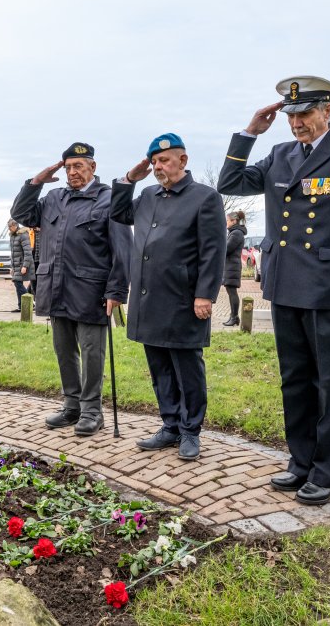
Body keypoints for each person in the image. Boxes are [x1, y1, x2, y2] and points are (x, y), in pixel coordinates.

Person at [217, 75, 330, 505]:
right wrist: (249, 134)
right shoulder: (279, 154)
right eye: (291, 115)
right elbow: (229, 183)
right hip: (285, 282)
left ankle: (328, 471)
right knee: (294, 379)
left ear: (327, 111)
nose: (297, 123)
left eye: (305, 114)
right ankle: (300, 462)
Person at [111, 134, 226, 460]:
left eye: (164, 160)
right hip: (149, 300)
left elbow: (213, 252)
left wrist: (205, 295)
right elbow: (118, 213)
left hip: (183, 300)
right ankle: (170, 425)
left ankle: (190, 431)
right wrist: (130, 179)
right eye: (155, 161)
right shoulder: (147, 194)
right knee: (160, 368)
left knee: (187, 369)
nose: (159, 166)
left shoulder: (205, 198)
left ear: (183, 161)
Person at [11, 142, 131, 436]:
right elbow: (22, 214)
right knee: (64, 351)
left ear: (93, 167)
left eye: (78, 166)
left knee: (91, 353)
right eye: (68, 168)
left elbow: (123, 250)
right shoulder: (53, 197)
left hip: (91, 290)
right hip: (55, 287)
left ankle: (92, 411)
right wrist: (36, 182)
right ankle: (71, 406)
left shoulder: (109, 198)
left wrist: (116, 291)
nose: (72, 172)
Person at [221, 211, 247, 326]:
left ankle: (235, 317)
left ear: (234, 221)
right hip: (231, 266)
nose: (226, 223)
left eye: (227, 220)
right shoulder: (234, 232)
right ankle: (233, 317)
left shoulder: (236, 233)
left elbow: (227, 249)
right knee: (230, 291)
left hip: (232, 266)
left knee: (232, 292)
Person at [7, 219, 34, 312]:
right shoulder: (12, 236)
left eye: (10, 227)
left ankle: (31, 303)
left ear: (15, 226)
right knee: (17, 283)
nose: (9, 229)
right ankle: (21, 306)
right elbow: (13, 253)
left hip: (22, 265)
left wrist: (25, 266)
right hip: (16, 265)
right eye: (8, 227)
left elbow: (28, 252)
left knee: (17, 283)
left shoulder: (23, 235)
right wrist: (12, 267)